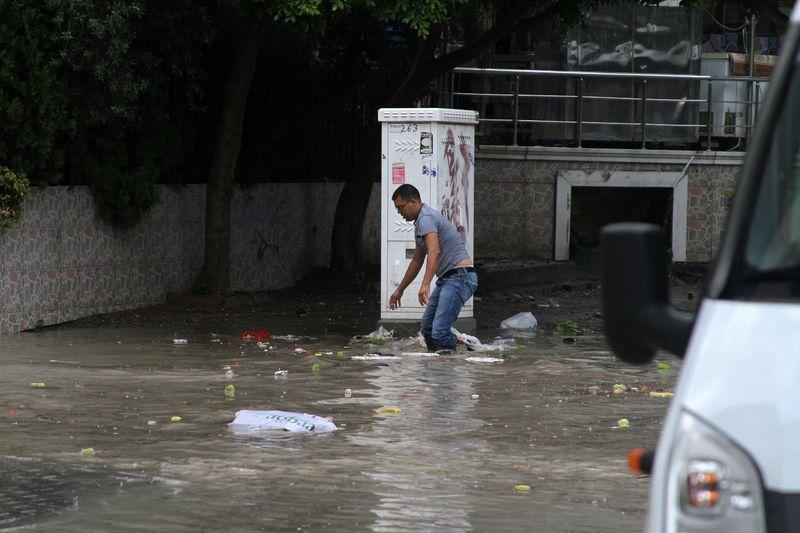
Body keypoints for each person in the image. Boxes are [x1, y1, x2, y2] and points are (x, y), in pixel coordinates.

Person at [388, 184, 478, 352]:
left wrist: (426, 284)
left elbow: (434, 251)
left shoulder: (425, 218)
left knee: (440, 331)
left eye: (401, 207)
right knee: (428, 329)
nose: (399, 212)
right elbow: (416, 261)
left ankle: (450, 366)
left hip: (460, 277)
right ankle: (436, 370)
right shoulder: (419, 223)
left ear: (413, 202)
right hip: (448, 279)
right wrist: (399, 290)